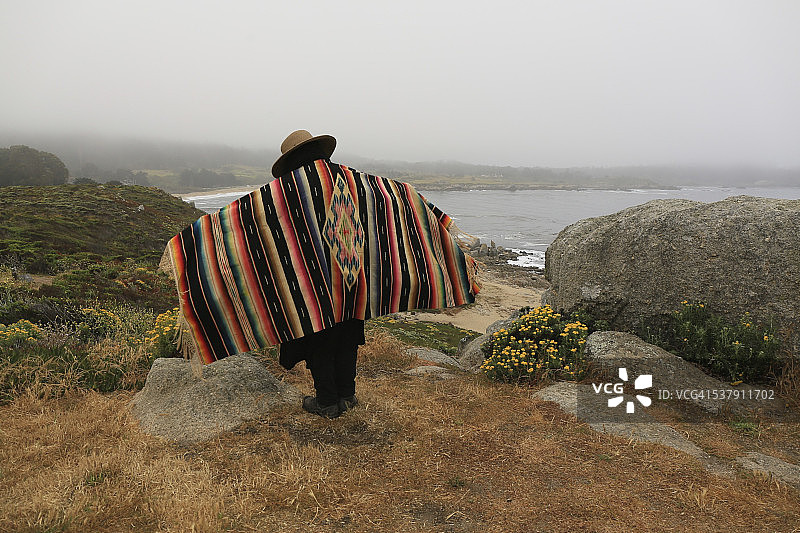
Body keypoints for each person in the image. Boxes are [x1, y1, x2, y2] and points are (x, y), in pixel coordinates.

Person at [273, 130, 365, 419]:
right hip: (351, 270)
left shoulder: (288, 188)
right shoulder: (350, 178)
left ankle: (327, 402)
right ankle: (346, 396)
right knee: (348, 333)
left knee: (319, 338)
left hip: (313, 278)